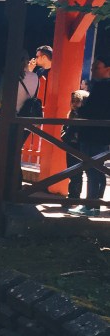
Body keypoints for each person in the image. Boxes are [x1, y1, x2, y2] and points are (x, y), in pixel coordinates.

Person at [69, 52, 110, 215]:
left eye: (97, 67)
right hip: (103, 134)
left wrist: (80, 109)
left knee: (91, 169)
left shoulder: (101, 87)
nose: (93, 70)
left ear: (107, 69)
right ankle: (94, 204)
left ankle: (90, 205)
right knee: (99, 170)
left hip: (93, 133)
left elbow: (92, 110)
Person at [61, 89, 89, 201]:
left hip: (80, 145)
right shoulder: (71, 113)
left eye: (76, 100)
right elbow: (65, 128)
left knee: (78, 172)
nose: (73, 103)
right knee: (72, 172)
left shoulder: (84, 114)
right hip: (71, 145)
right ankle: (72, 195)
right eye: (72, 100)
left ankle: (74, 197)